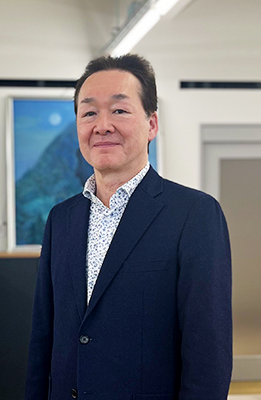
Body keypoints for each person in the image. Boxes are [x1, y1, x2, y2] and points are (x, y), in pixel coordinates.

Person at [25, 54, 232, 400]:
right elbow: (42, 339)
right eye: (89, 113)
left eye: (119, 110)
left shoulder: (194, 215)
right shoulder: (61, 219)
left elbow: (208, 357)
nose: (102, 125)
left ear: (152, 124)